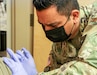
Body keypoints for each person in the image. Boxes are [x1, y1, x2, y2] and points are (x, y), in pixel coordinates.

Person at [3, 0, 97, 75]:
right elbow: (54, 69)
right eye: (43, 25)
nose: (47, 31)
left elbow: (88, 69)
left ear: (75, 16)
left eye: (53, 25)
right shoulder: (61, 38)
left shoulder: (94, 21)